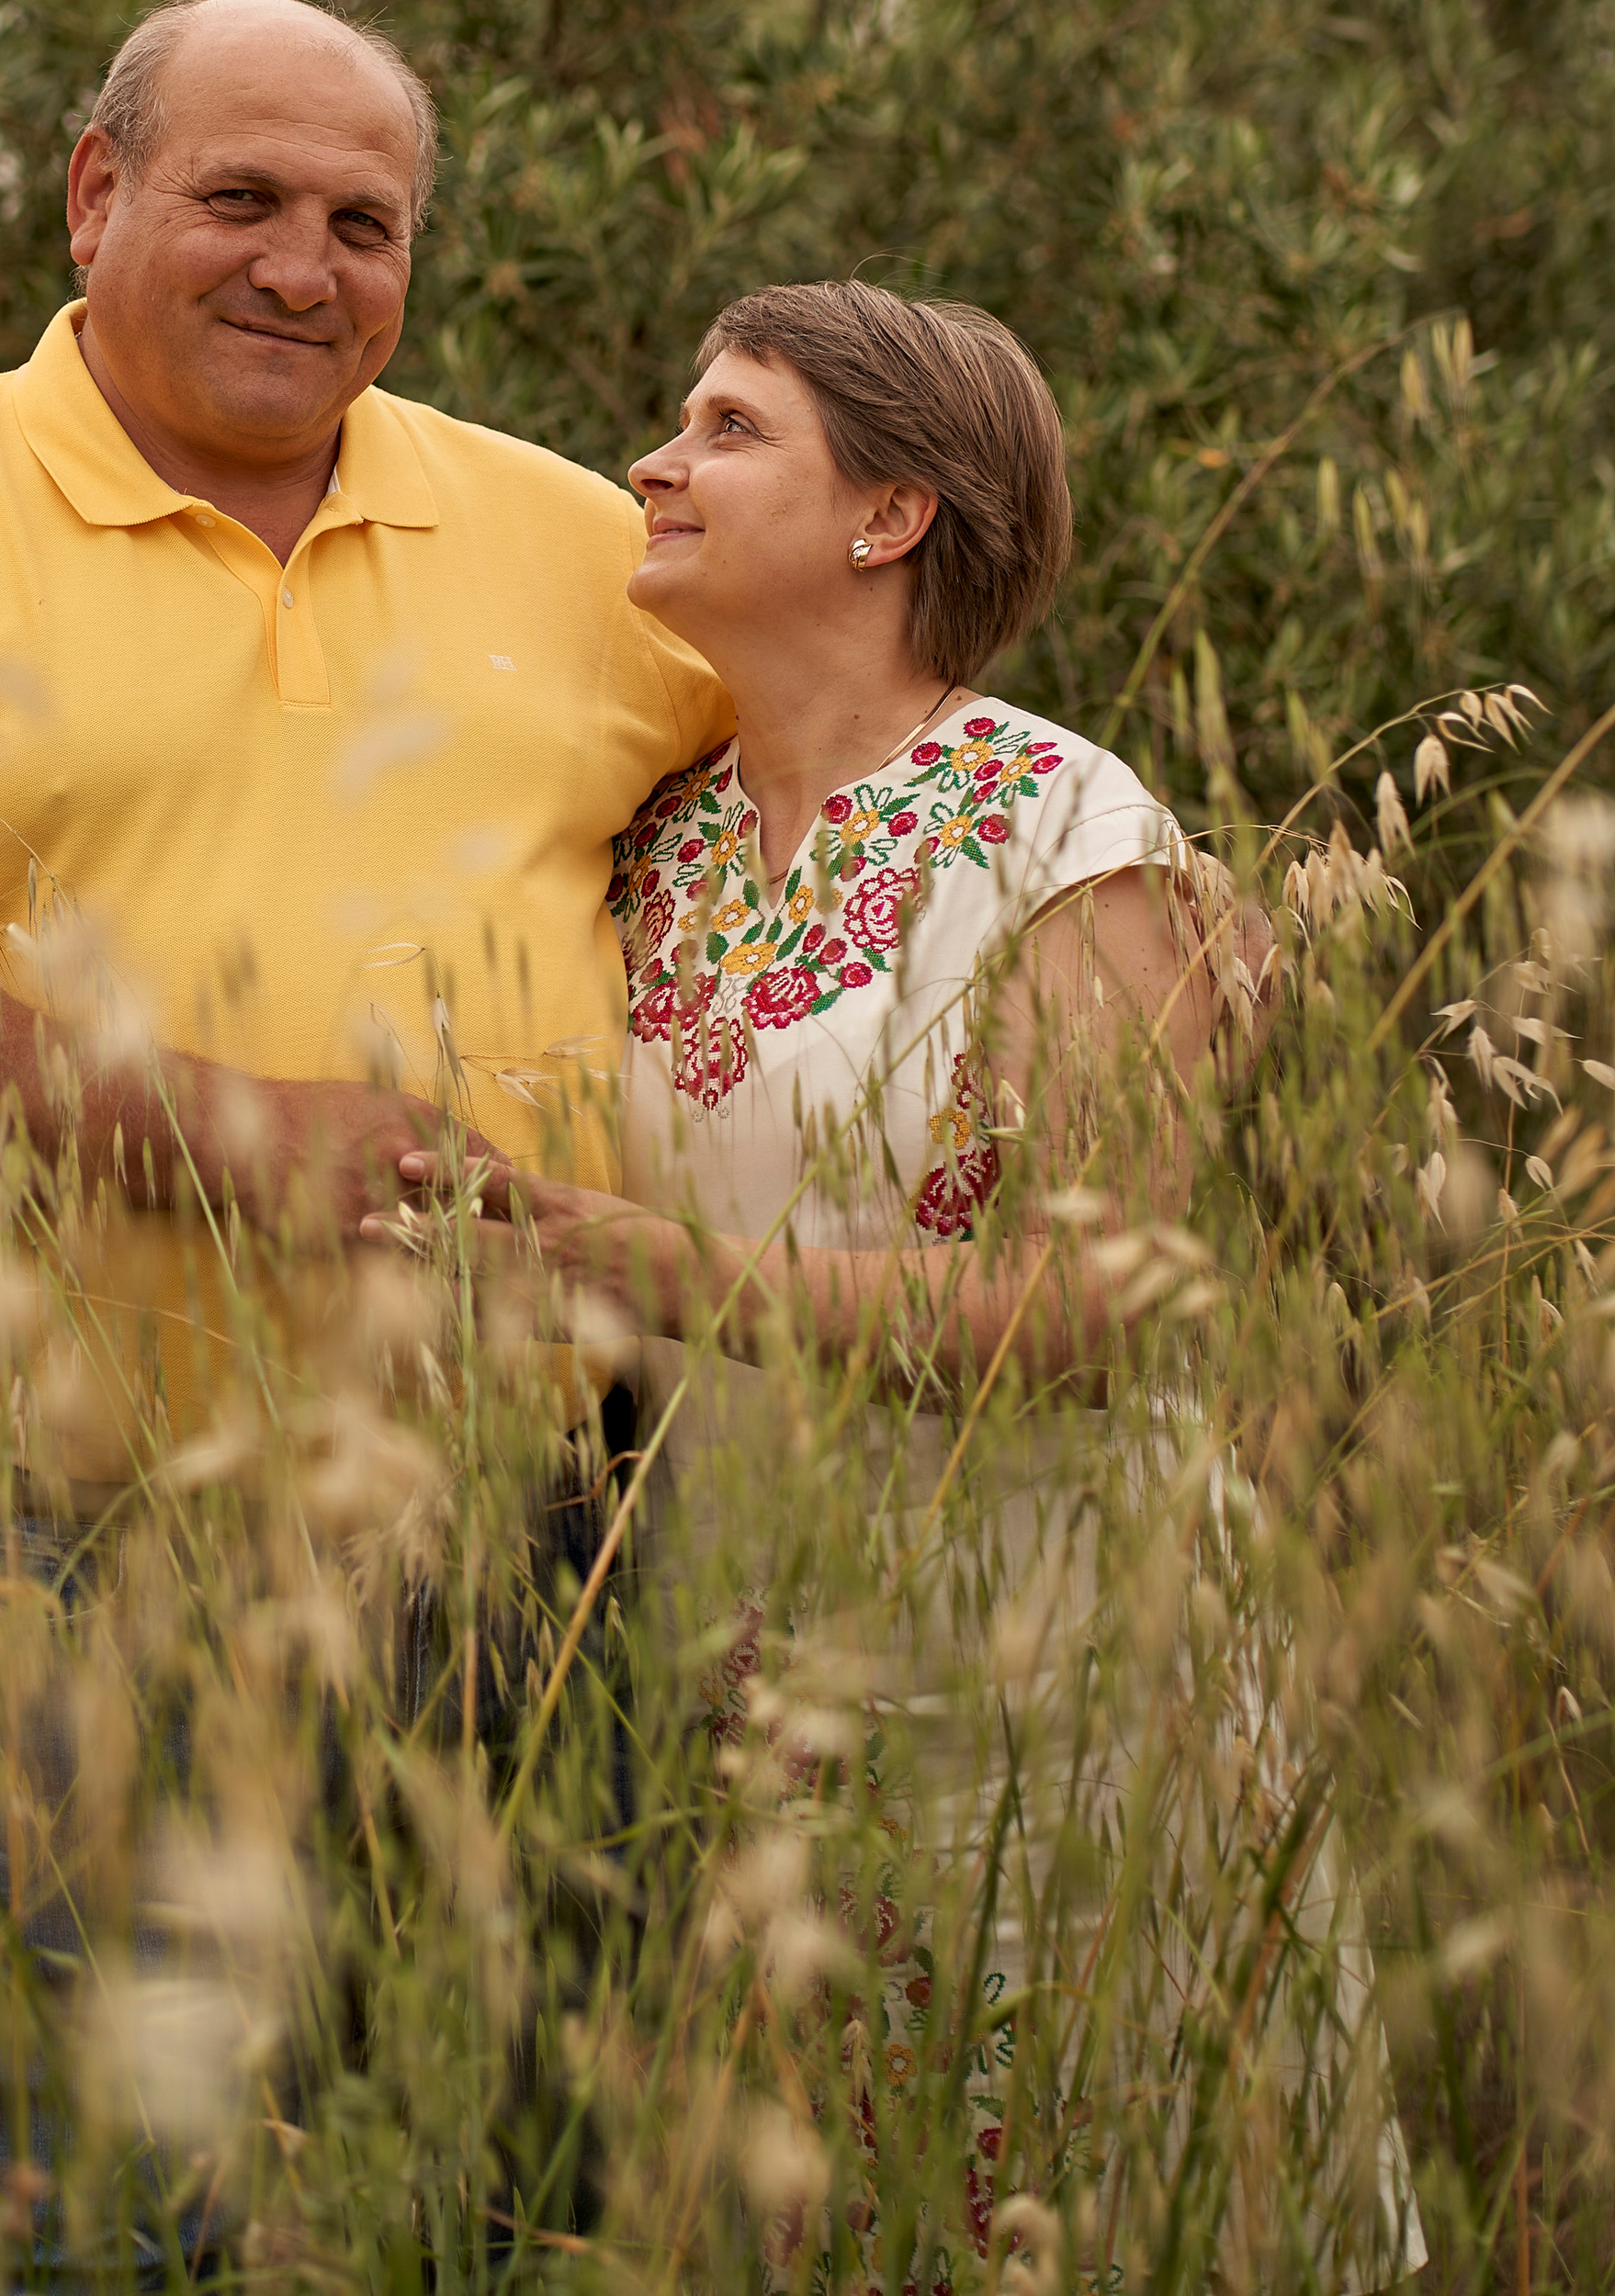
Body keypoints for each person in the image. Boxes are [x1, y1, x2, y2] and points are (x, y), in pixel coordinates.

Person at [383, 281, 1425, 2290]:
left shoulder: (1069, 835)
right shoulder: (652, 847)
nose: (653, 465)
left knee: (1077, 2182)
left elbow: (1096, 1310)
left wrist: (675, 1272)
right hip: (737, 1667)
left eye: (728, 429)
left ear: (889, 515)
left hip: (1050, 1665)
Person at [0, 0, 727, 1483]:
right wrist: (244, 1143)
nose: (301, 273)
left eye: (362, 227)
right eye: (241, 200)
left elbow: (859, 774)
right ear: (95, 196)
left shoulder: (583, 539)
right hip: (67, 1524)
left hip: (532, 1503)